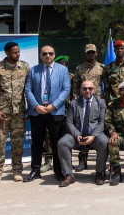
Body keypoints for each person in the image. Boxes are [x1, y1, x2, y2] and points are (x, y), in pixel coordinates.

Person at [24, 45, 71, 182]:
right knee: (37, 142)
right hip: (37, 111)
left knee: (56, 142)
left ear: (54, 55)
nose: (47, 56)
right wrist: (36, 106)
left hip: (55, 111)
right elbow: (28, 90)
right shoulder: (33, 70)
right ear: (41, 56)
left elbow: (65, 89)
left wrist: (53, 105)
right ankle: (35, 170)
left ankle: (58, 170)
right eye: (45, 54)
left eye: (50, 53)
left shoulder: (62, 70)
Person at [0, 42, 29, 183]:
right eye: (14, 52)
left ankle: (17, 171)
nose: (17, 54)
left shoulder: (25, 67)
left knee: (17, 143)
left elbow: (28, 89)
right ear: (7, 52)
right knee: (0, 143)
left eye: (18, 52)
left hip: (19, 112)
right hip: (2, 114)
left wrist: (29, 109)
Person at [57, 81, 108, 187]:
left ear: (94, 89)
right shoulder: (74, 103)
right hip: (77, 135)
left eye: (90, 88)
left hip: (94, 135)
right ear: (80, 90)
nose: (87, 91)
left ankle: (99, 173)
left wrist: (93, 136)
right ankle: (69, 175)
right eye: (84, 88)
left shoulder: (101, 103)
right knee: (62, 143)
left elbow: (102, 123)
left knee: (104, 142)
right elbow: (69, 122)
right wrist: (77, 135)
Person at [72, 44, 105, 172]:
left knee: (97, 129)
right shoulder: (80, 68)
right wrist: (75, 100)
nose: (90, 55)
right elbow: (75, 85)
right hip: (83, 102)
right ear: (86, 54)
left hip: (97, 102)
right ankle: (82, 160)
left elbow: (106, 85)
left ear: (96, 53)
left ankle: (99, 161)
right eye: (88, 53)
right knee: (83, 128)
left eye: (92, 52)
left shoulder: (102, 68)